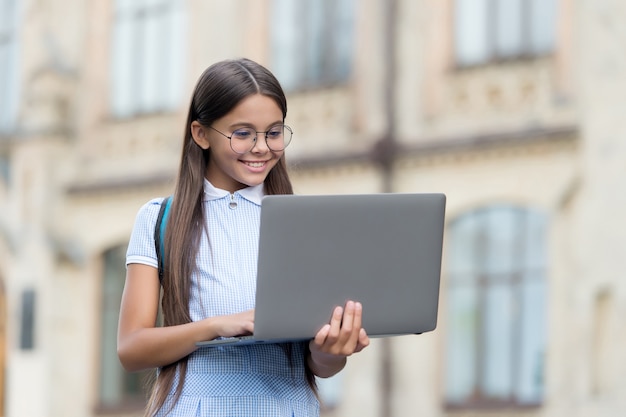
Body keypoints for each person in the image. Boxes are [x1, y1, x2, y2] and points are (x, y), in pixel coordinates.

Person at [117, 58, 370, 417]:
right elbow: (131, 348)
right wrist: (217, 326)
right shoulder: (159, 218)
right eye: (242, 133)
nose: (262, 147)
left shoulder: (304, 223)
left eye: (274, 132)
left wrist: (332, 350)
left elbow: (320, 367)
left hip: (289, 408)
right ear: (200, 134)